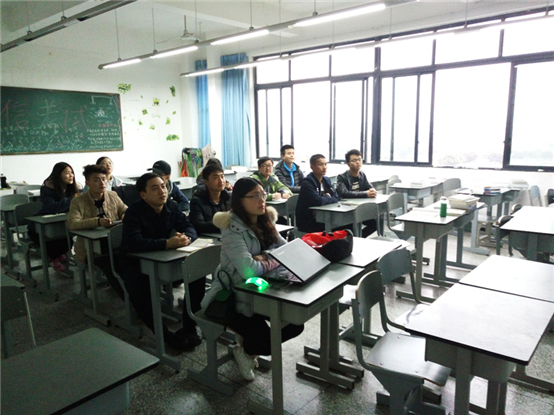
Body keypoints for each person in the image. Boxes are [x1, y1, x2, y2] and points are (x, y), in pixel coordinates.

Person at [201, 177, 304, 381]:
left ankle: (248, 346)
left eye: (263, 194)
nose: (262, 200)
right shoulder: (232, 229)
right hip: (234, 297)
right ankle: (246, 352)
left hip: (262, 291)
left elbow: (286, 251)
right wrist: (273, 258)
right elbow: (249, 271)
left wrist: (264, 256)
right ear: (240, 200)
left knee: (295, 324)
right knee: (266, 342)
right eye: (254, 196)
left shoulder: (265, 220)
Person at [119, 173, 200, 351]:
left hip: (163, 258)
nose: (162, 191)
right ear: (143, 194)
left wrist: (186, 238)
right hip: (134, 262)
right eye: (155, 188)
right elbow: (133, 243)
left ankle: (189, 326)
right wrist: (166, 243)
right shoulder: (134, 212)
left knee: (197, 274)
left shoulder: (171, 206)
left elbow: (189, 227)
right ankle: (164, 335)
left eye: (163, 186)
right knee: (140, 288)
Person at [67, 164, 127, 299]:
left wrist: (125, 215)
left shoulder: (112, 195)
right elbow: (72, 223)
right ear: (87, 182)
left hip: (115, 244)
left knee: (130, 261)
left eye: (104, 179)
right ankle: (129, 299)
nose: (102, 183)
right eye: (96, 180)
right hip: (90, 249)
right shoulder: (78, 201)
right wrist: (97, 221)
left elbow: (125, 209)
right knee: (111, 265)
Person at [28, 162, 81, 272]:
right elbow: (52, 207)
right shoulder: (47, 188)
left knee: (68, 241)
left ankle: (57, 255)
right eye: (67, 173)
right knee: (52, 240)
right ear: (58, 175)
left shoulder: (72, 187)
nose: (71, 175)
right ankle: (53, 258)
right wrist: (71, 199)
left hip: (63, 222)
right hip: (42, 224)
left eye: (72, 172)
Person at [336, 149, 378, 237]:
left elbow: (369, 186)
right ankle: (354, 238)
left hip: (359, 208)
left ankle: (359, 238)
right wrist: (366, 194)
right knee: (350, 229)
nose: (357, 162)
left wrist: (372, 191)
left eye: (359, 159)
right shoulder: (342, 177)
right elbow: (345, 193)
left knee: (375, 224)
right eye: (354, 160)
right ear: (348, 164)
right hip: (346, 210)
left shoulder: (362, 175)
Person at [295, 154, 339, 233]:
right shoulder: (307, 182)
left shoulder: (326, 180)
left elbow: (336, 197)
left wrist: (325, 199)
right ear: (312, 167)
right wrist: (327, 197)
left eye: (325, 164)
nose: (324, 167)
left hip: (322, 217)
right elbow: (318, 201)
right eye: (321, 164)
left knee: (345, 226)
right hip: (308, 221)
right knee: (338, 228)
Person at [189, 163, 231, 234]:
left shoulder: (229, 197)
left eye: (222, 176)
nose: (221, 181)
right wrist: (225, 223)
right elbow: (199, 226)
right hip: (208, 237)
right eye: (215, 177)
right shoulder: (197, 201)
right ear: (206, 182)